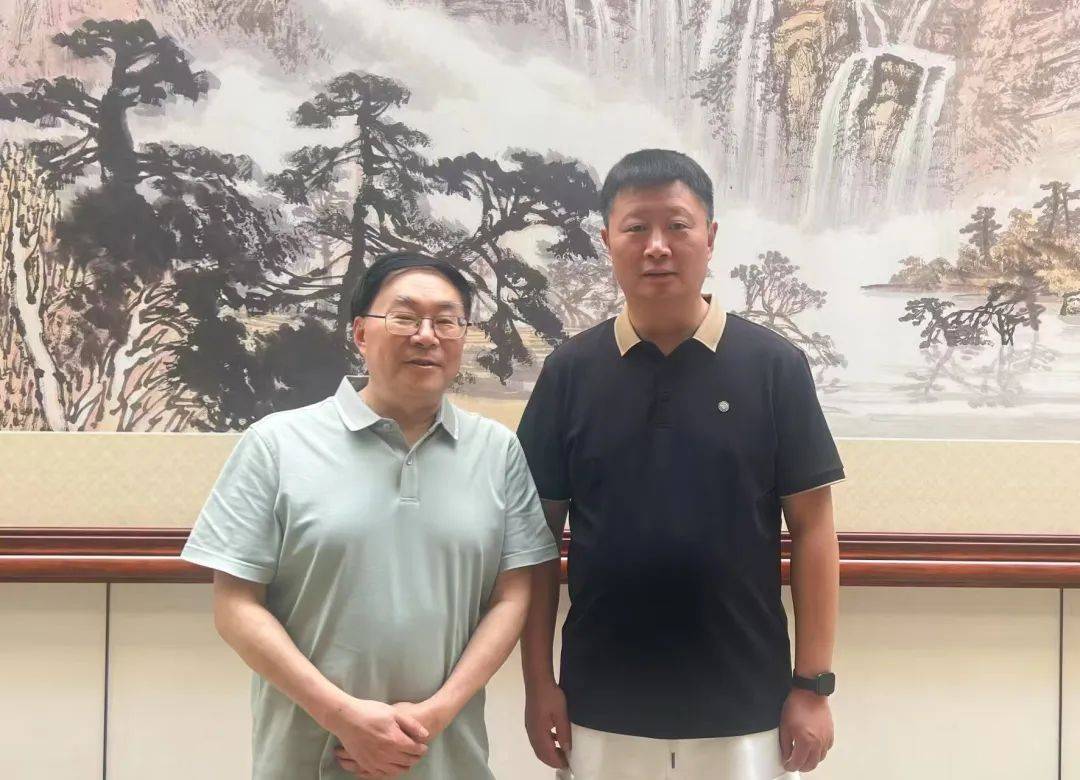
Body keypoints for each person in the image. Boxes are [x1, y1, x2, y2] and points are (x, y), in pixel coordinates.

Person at [517, 149, 845, 779]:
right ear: (607, 241)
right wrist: (538, 684)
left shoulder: (774, 367)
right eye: (636, 228)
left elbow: (813, 528)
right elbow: (535, 541)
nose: (657, 247)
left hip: (746, 705)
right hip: (599, 702)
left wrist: (813, 685)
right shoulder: (569, 372)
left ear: (710, 237)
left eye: (677, 226)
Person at [182, 251, 560, 779]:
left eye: (446, 321)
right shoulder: (276, 444)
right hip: (309, 758)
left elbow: (513, 595)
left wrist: (436, 713)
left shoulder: (496, 451)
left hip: (447, 757)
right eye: (404, 317)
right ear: (361, 332)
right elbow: (235, 606)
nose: (426, 335)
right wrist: (343, 717)